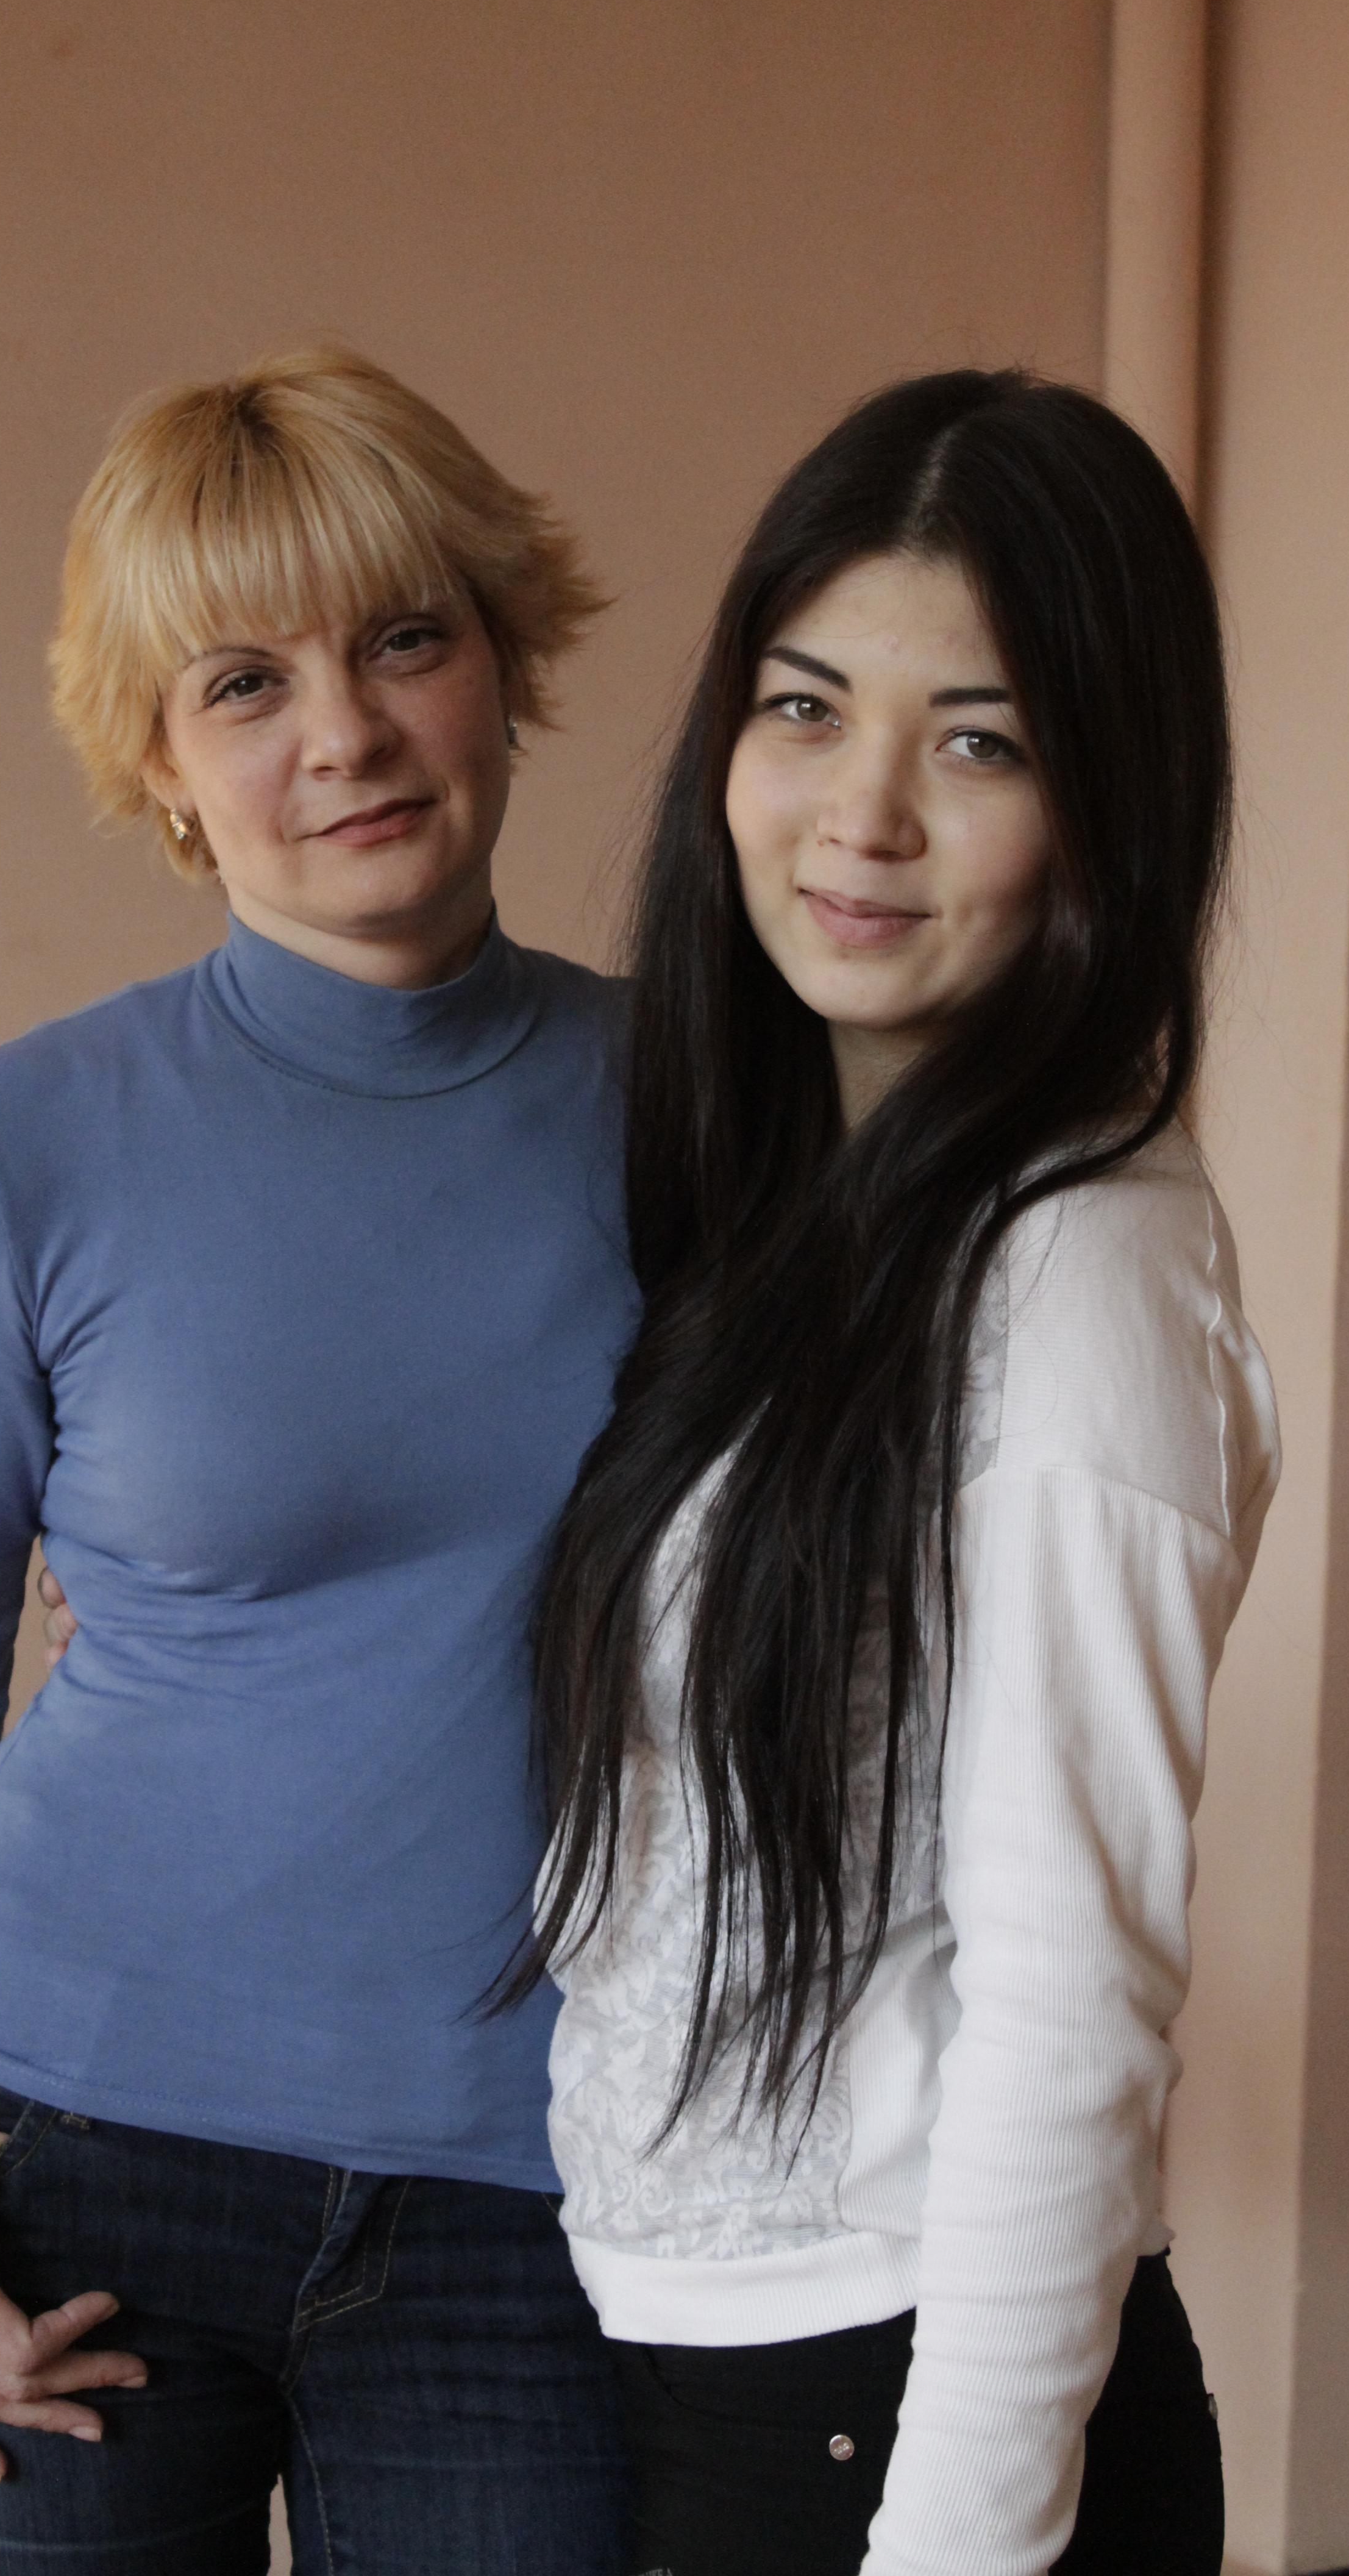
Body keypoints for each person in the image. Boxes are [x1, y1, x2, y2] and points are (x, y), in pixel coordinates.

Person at [0, 350, 638, 2574]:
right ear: (162, 760)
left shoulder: (718, 1111)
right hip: (50, 2169)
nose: (345, 734)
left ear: (504, 662)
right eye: (246, 683)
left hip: (537, 2203)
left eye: (404, 640)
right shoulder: (9, 1147)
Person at [519, 371, 1280, 2575]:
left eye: (979, 744)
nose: (860, 816)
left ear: (1110, 808)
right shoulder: (806, 1215)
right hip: (715, 2374)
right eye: (804, 707)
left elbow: (1073, 1998)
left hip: (890, 2413)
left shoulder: (1079, 1259)